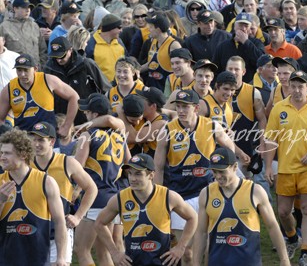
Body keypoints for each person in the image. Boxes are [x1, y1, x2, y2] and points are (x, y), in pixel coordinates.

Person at [154, 89, 235, 265]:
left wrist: (222, 173)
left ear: (196, 108)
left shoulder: (212, 126)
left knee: (206, 247)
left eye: (186, 107)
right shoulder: (167, 130)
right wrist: (158, 197)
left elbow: (230, 151)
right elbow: (158, 168)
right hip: (179, 195)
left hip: (206, 193)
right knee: (186, 252)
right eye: (179, 107)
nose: (181, 111)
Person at [264, 70, 307, 265]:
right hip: (284, 168)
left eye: (301, 86)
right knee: (283, 212)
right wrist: (268, 166)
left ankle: (305, 253)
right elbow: (270, 139)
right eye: (294, 86)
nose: (297, 90)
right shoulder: (278, 109)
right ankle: (293, 238)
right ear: (288, 87)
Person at [192, 147, 291, 266]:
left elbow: (272, 226)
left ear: (235, 167)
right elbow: (201, 232)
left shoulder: (255, 192)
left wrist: (284, 259)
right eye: (214, 171)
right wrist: (196, 263)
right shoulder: (206, 194)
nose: (218, 176)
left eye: (222, 171)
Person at [95, 153, 198, 266]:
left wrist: (180, 248)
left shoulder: (168, 196)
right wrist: (114, 253)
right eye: (130, 173)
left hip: (163, 262)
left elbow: (192, 217)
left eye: (138, 174)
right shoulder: (120, 198)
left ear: (151, 175)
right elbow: (99, 223)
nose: (133, 179)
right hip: (134, 262)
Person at [29, 121, 98, 265]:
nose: (36, 144)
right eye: (33, 139)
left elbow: (92, 188)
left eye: (41, 140)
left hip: (60, 231)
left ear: (52, 142)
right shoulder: (26, 163)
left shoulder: (67, 162)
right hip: (32, 232)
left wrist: (78, 216)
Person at [73, 94, 130, 266]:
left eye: (88, 112)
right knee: (105, 250)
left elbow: (77, 169)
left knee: (81, 249)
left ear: (95, 114)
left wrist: (74, 191)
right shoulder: (120, 136)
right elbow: (129, 162)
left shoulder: (87, 135)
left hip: (95, 198)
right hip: (115, 195)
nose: (85, 115)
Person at [0, 128, 67, 265]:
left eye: (7, 153)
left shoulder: (46, 182)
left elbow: (60, 222)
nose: (2, 157)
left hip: (38, 259)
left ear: (23, 154)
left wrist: (61, 257)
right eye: (1, 152)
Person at [0, 53, 79, 138]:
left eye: (26, 70)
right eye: (19, 70)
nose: (22, 74)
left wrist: (66, 126)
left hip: (48, 139)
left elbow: (74, 97)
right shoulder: (9, 88)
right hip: (24, 141)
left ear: (35, 69)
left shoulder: (48, 80)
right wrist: (7, 135)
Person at [45, 36, 111, 125]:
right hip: (60, 119)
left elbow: (106, 89)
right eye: (55, 56)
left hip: (86, 118)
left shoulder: (86, 64)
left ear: (70, 50)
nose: (59, 59)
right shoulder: (49, 68)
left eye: (61, 55)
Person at [213, 12, 265, 83]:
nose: (243, 29)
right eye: (240, 25)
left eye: (246, 26)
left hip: (250, 86)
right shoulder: (223, 46)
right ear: (234, 27)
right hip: (227, 86)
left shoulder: (257, 43)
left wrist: (246, 42)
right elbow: (215, 70)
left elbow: (261, 61)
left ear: (250, 29)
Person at [0, 0, 47, 67]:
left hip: (35, 71)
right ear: (15, 9)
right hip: (15, 72)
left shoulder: (34, 25)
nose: (28, 10)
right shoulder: (4, 27)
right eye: (24, 7)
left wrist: (42, 67)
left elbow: (43, 50)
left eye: (29, 7)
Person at [141, 13, 181, 92]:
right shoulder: (153, 42)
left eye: (151, 27)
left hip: (166, 90)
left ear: (158, 29)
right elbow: (150, 63)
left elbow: (181, 68)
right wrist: (134, 71)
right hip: (152, 87)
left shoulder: (173, 45)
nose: (149, 29)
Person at [86, 13, 126, 82]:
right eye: (119, 27)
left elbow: (127, 61)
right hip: (101, 89)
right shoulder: (91, 43)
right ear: (110, 28)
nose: (121, 30)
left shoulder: (119, 42)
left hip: (120, 86)